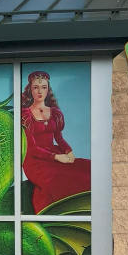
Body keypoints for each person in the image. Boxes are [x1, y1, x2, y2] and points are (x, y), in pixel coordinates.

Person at [20, 71, 92, 213]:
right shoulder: (25, 113)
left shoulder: (55, 112)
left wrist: (69, 152)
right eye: (36, 88)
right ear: (30, 90)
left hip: (53, 153)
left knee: (86, 168)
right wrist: (56, 157)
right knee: (60, 178)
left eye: (44, 87)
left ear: (48, 89)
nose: (40, 91)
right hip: (34, 160)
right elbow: (32, 147)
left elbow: (59, 138)